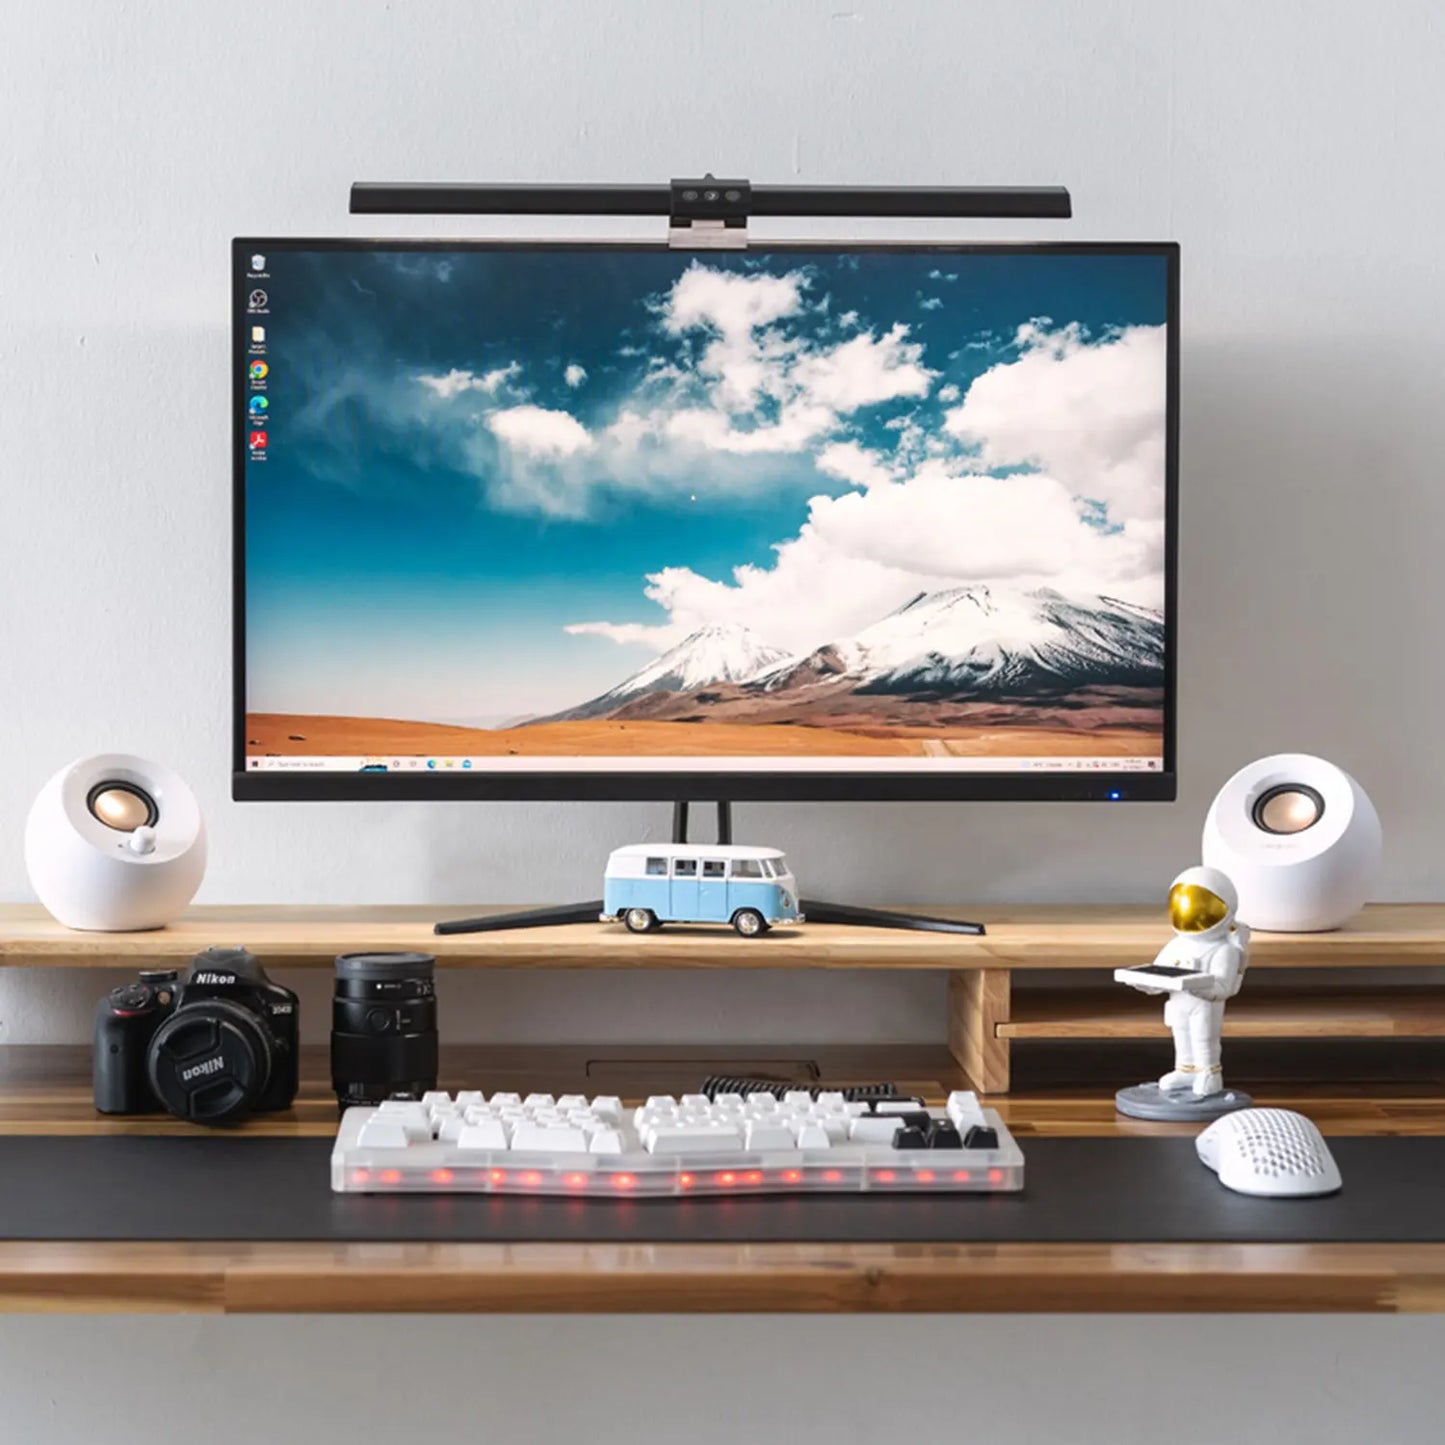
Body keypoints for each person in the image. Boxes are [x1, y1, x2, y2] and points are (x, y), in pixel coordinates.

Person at [1128, 866, 1250, 1098]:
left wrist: (1196, 985)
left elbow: (1224, 987)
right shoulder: (1177, 945)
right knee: (1182, 1035)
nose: (1194, 913)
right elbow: (1160, 972)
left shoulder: (1224, 950)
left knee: (1204, 1038)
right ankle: (1185, 1070)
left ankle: (1209, 1073)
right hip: (1179, 1003)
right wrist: (1146, 983)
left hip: (1204, 1006)